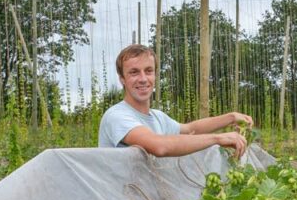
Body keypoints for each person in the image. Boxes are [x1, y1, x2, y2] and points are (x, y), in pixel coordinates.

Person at [98, 44, 253, 158]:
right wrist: (219, 138)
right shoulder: (117, 116)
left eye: (149, 71)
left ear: (155, 75)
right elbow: (159, 146)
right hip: (122, 199)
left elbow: (190, 129)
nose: (143, 79)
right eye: (134, 72)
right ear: (122, 79)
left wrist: (230, 118)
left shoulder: (157, 117)